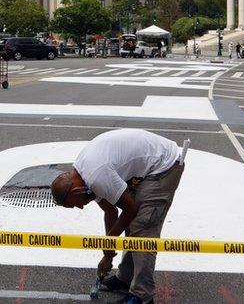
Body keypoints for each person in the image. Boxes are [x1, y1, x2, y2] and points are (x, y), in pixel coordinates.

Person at [51, 129, 185, 304]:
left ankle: (142, 296)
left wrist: (108, 249)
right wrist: (108, 252)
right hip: (149, 167)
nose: (81, 206)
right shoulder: (84, 175)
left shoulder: (96, 176)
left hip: (164, 166)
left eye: (75, 203)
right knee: (131, 225)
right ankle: (126, 277)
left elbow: (130, 209)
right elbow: (111, 211)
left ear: (75, 191)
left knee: (142, 228)